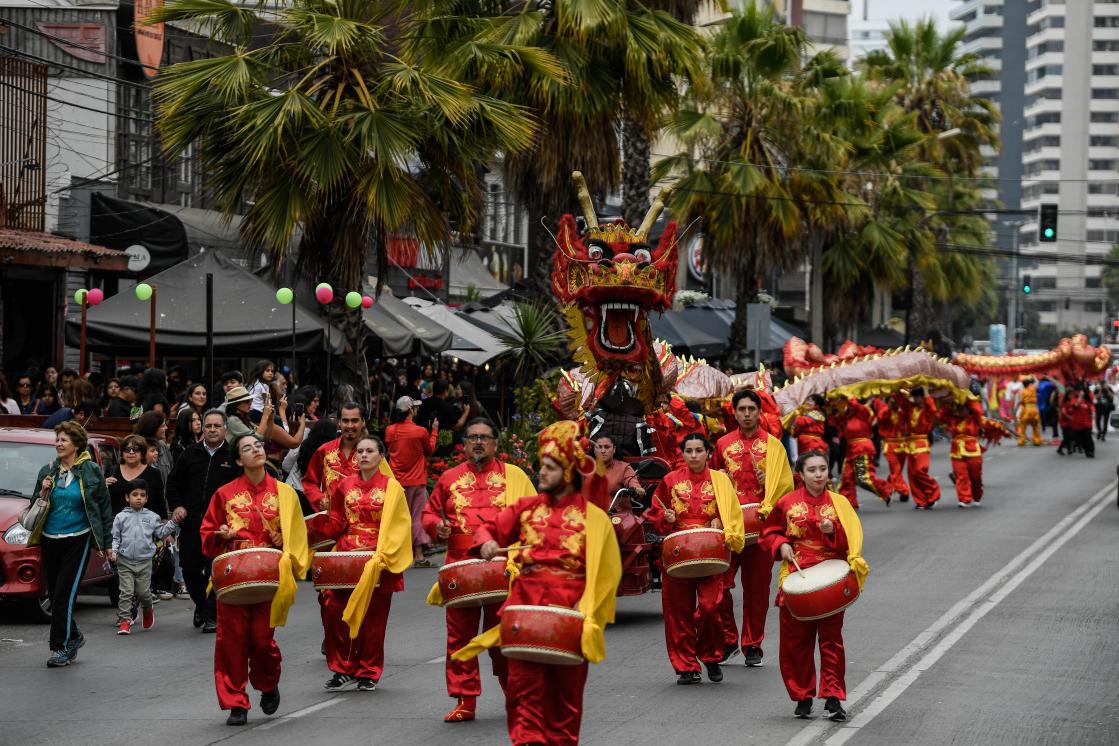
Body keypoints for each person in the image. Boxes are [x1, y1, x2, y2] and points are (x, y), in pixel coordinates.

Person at [455, 420, 622, 746]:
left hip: (569, 616)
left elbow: (606, 574)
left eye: (549, 467)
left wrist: (586, 607)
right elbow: (489, 528)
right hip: (525, 614)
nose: (541, 473)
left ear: (568, 472)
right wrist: (487, 541)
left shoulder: (594, 518)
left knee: (564, 706)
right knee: (522, 699)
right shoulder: (526, 509)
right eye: (541, 466)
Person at [422, 417, 536, 723]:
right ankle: (465, 700)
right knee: (460, 637)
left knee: (505, 634)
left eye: (485, 437)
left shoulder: (514, 476)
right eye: (473, 437)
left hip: (503, 565)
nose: (478, 442)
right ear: (464, 444)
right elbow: (429, 514)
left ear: (496, 443)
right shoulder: (448, 478)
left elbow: (534, 515)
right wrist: (437, 527)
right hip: (460, 567)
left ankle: (516, 696)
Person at [200, 433, 310, 726]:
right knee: (231, 641)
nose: (256, 450)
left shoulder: (285, 493)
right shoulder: (224, 494)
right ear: (239, 460)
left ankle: (267, 682)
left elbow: (298, 536)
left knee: (262, 640)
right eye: (247, 448)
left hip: (268, 577)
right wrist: (220, 535)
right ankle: (236, 702)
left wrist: (283, 539)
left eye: (258, 445)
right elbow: (207, 535)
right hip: (234, 577)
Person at [761, 450, 868, 722]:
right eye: (812, 470)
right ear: (801, 474)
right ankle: (802, 695)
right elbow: (770, 532)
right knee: (795, 642)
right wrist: (781, 544)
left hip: (830, 580)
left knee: (832, 641)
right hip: (797, 575)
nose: (818, 474)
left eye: (822, 469)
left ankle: (833, 697)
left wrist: (834, 531)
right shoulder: (787, 502)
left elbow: (852, 541)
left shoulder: (839, 503)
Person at [643, 434, 745, 685]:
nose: (694, 455)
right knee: (678, 613)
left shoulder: (720, 481)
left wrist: (721, 520)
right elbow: (654, 512)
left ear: (708, 453)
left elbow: (732, 512)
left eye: (699, 450)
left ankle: (710, 655)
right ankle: (686, 666)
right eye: (689, 451)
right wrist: (665, 517)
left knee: (710, 607)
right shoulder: (670, 480)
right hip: (678, 551)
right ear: (683, 454)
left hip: (710, 552)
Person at [319, 436, 412, 692]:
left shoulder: (393, 488)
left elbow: (400, 526)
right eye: (360, 451)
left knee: (374, 618)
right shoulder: (344, 485)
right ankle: (342, 667)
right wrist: (321, 521)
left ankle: (368, 670)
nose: (363, 455)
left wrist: (385, 555)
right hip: (346, 556)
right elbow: (337, 523)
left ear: (381, 456)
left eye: (370, 451)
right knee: (334, 607)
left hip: (377, 557)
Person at [712, 389, 794, 667]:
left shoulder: (774, 447)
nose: (747, 414)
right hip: (730, 527)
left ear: (760, 413)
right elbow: (712, 483)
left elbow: (786, 489)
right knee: (719, 586)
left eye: (751, 409)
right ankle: (728, 638)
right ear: (734, 413)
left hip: (761, 529)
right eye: (742, 409)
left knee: (756, 590)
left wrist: (768, 480)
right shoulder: (722, 444)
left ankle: (752, 644)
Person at [27, 421, 113, 667]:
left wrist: (107, 544)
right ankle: (74, 635)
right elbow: (35, 505)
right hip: (50, 539)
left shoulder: (91, 470)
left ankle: (60, 648)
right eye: (57, 440)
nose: (58, 444)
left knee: (64, 594)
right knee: (55, 595)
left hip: (78, 539)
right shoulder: (48, 470)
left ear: (76, 444)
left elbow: (104, 508)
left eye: (63, 440)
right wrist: (43, 491)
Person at [167, 410, 242, 632]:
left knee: (214, 572)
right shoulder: (190, 453)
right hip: (191, 525)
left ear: (225, 428)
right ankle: (201, 605)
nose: (212, 430)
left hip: (220, 529)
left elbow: (242, 489)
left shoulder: (233, 456)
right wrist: (177, 505)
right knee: (189, 570)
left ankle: (211, 616)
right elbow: (173, 483)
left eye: (217, 426)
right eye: (208, 426)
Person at [111, 479, 181, 634]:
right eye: (134, 494)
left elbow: (161, 533)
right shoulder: (120, 517)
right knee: (126, 592)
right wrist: (114, 552)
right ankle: (124, 620)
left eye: (142, 495)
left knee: (144, 593)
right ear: (127, 497)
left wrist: (173, 523)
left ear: (147, 498)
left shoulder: (152, 517)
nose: (138, 498)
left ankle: (148, 609)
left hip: (145, 562)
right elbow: (116, 538)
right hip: (124, 561)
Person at [384, 396, 437, 567]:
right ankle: (419, 556)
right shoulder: (420, 431)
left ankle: (399, 554)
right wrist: (434, 431)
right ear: (410, 411)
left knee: (399, 518)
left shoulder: (390, 431)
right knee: (416, 516)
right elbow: (429, 450)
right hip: (416, 480)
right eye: (415, 408)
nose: (416, 410)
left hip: (396, 482)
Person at [302, 402, 367, 511]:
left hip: (361, 517)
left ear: (363, 422)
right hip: (330, 516)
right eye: (345, 421)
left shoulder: (371, 454)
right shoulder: (324, 450)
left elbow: (386, 487)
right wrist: (320, 499)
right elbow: (309, 482)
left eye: (354, 420)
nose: (350, 425)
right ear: (339, 423)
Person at [831, 397, 890, 509]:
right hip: (850, 450)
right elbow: (834, 421)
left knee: (863, 478)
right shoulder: (845, 417)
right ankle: (848, 503)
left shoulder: (863, 412)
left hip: (862, 449)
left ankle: (886, 491)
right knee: (846, 478)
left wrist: (847, 396)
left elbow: (855, 405)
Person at [106, 434, 167, 516]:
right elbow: (101, 499)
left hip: (146, 522)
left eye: (136, 450)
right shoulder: (111, 471)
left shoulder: (154, 473)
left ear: (143, 453)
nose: (131, 453)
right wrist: (104, 486)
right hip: (116, 522)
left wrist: (164, 519)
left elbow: (160, 501)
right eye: (127, 450)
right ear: (122, 453)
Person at [901, 388, 940, 510]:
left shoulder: (927, 410)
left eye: (917, 396)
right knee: (912, 475)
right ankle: (920, 500)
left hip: (922, 444)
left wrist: (925, 389)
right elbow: (902, 403)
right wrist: (899, 387)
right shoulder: (911, 408)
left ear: (922, 398)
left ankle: (933, 491)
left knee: (919, 471)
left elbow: (932, 408)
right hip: (910, 444)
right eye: (914, 397)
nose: (915, 399)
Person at [942, 400, 985, 508]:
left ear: (969, 409)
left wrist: (968, 397)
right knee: (961, 476)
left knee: (976, 477)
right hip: (957, 451)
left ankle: (977, 496)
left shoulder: (975, 418)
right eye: (958, 408)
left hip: (973, 451)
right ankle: (964, 499)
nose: (960, 410)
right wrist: (948, 402)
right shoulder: (953, 419)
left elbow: (978, 410)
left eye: (962, 408)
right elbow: (942, 415)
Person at [593, 435, 645, 512]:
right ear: (594, 450)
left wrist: (637, 490)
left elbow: (632, 482)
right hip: (590, 514)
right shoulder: (587, 467)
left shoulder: (624, 468)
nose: (603, 451)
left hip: (616, 515)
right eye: (599, 447)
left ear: (614, 449)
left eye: (607, 447)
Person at [872, 393, 909, 503]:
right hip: (890, 445)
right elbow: (880, 419)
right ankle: (904, 491)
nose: (894, 404)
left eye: (896, 402)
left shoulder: (902, 412)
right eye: (892, 402)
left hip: (902, 445)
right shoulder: (884, 412)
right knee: (895, 469)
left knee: (897, 470)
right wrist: (889, 408)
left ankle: (887, 489)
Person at [134, 411, 173, 483]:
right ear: (153, 428)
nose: (166, 428)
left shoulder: (163, 445)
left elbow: (171, 469)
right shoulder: (136, 448)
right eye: (163, 426)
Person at [1059, 388, 1095, 458]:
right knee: (1080, 439)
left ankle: (1091, 451)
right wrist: (1080, 398)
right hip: (1077, 424)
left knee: (1088, 438)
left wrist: (1093, 414)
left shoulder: (1087, 402)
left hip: (1087, 423)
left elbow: (1092, 409)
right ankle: (1086, 450)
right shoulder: (1074, 400)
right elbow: (1075, 406)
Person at [1016, 378, 1043, 447]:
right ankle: (1037, 441)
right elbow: (1037, 383)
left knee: (1022, 427)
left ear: (1023, 385)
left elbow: (1021, 402)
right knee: (1035, 427)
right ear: (1029, 384)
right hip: (1035, 410)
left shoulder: (1021, 392)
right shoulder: (1034, 389)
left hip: (1026, 410)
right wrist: (1033, 377)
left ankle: (1021, 441)